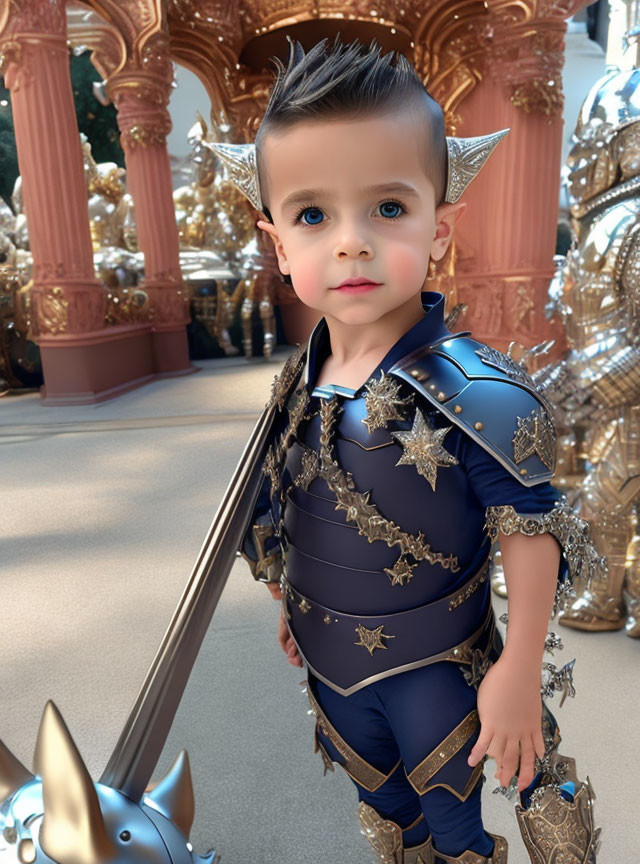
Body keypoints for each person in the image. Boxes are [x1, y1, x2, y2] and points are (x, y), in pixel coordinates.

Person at [215, 35, 602, 864]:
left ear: (440, 225)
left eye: (387, 209)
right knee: (387, 813)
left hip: (439, 665)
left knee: (459, 826)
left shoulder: (479, 388)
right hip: (329, 658)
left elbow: (530, 530)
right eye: (313, 215)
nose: (350, 241)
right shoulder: (298, 379)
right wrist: (290, 592)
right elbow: (286, 494)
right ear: (278, 244)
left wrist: (521, 667)